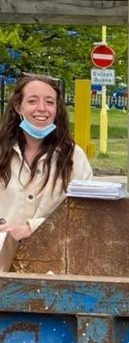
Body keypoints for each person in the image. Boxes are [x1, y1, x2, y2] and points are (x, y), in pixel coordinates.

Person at [0, 76, 93, 241]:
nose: (42, 108)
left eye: (49, 102)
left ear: (57, 109)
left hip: (53, 252)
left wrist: (29, 229)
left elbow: (85, 213)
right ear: (18, 107)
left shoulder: (74, 157)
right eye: (32, 101)